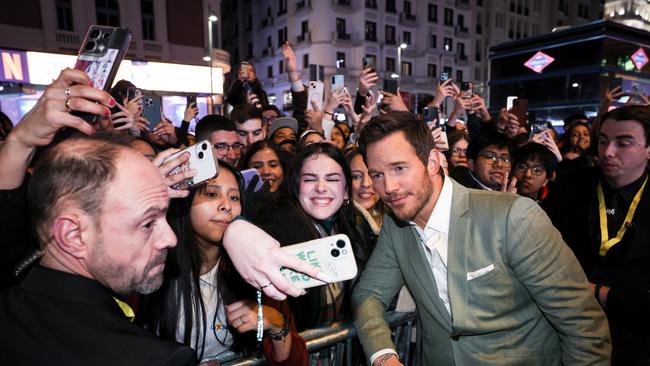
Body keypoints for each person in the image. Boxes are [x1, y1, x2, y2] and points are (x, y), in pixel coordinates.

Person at [352, 111, 610, 365]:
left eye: (399, 168)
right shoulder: (396, 227)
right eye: (377, 174)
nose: (388, 187)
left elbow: (583, 327)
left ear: (432, 163)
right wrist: (384, 356)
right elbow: (368, 295)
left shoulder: (512, 216)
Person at [0, 135, 196, 365]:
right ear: (73, 236)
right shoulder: (158, 359)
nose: (171, 239)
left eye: (163, 216)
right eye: (147, 223)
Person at [139, 162, 307, 365]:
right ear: (185, 201)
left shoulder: (255, 269)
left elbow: (296, 361)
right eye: (211, 194)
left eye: (234, 197)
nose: (226, 205)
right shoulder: (150, 268)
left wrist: (275, 323)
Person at [543, 105, 650, 365]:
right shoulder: (571, 185)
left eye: (623, 143)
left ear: (649, 149)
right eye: (603, 141)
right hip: (568, 332)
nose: (608, 152)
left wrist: (600, 293)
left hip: (637, 341)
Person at [249, 142, 366, 331]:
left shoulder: (352, 226)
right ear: (297, 187)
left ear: (346, 192)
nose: (321, 188)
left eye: (332, 179)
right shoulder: (281, 225)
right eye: (310, 179)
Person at [449, 131, 517, 192]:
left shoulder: (513, 190)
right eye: (490, 157)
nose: (499, 164)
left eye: (505, 159)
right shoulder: (457, 188)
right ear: (472, 164)